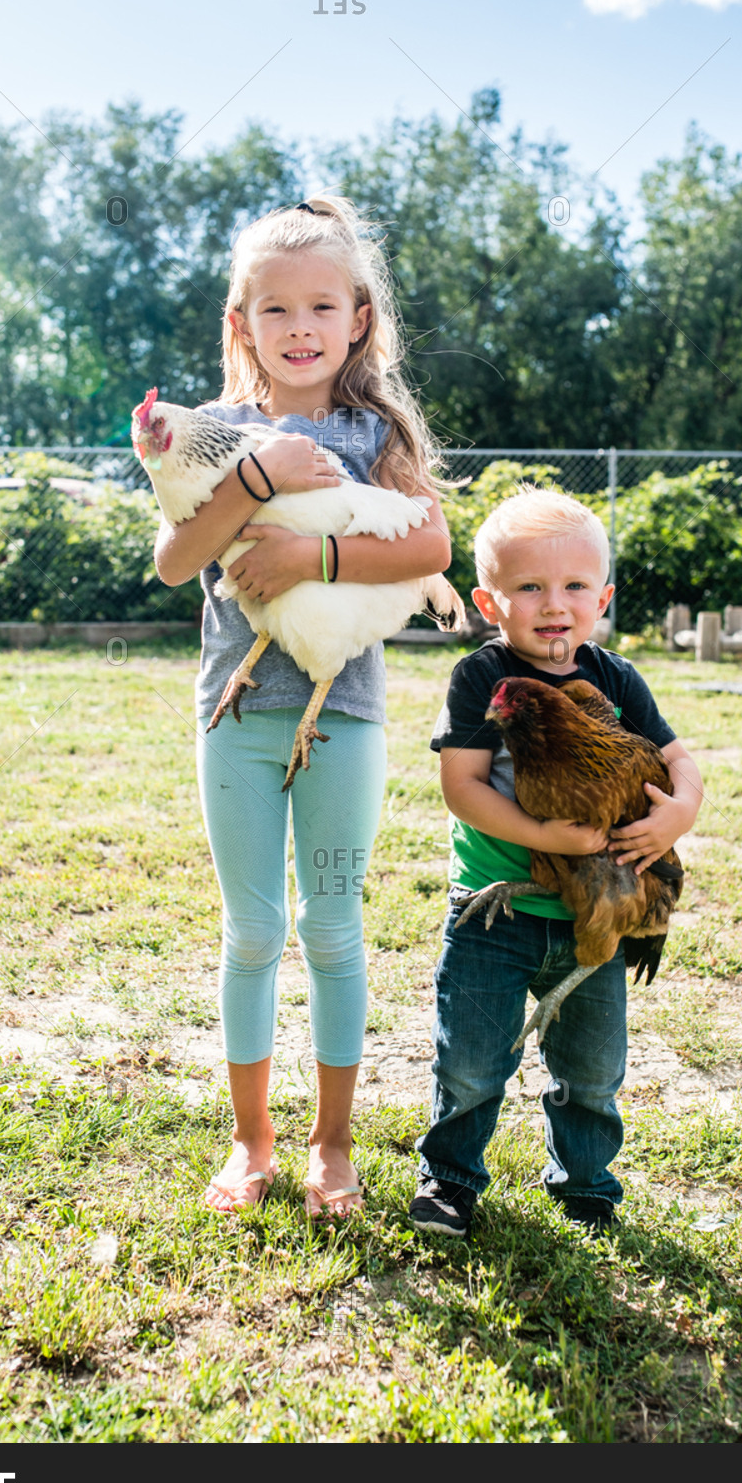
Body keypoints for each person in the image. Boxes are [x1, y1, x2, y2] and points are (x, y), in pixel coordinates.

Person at [154, 194, 452, 1218]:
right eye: (272, 310)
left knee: (332, 927)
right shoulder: (214, 434)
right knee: (250, 929)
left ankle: (333, 1143)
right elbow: (173, 560)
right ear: (240, 324)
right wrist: (252, 473)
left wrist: (310, 552)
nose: (299, 328)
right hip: (234, 720)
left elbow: (430, 548)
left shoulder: (375, 433)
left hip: (345, 716)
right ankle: (251, 1139)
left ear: (357, 318)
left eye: (320, 306)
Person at [410, 487, 703, 1238]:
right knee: (470, 1063)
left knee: (591, 1074)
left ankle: (586, 1187)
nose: (554, 605)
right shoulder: (482, 678)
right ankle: (448, 1181)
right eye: (530, 587)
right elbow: (461, 786)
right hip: (492, 909)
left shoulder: (615, 681)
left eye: (574, 587)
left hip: (601, 905)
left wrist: (680, 810)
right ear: (489, 602)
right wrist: (548, 843)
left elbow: (675, 762)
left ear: (601, 598)